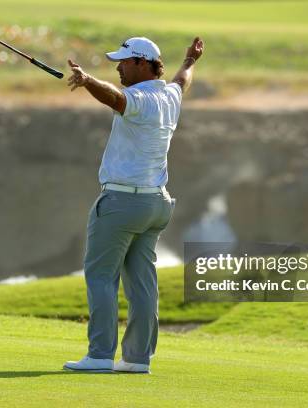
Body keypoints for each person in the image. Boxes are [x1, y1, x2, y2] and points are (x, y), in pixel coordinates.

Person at [63, 36, 204, 374]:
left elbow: (114, 97)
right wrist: (190, 62)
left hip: (121, 203)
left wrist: (86, 81)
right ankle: (137, 359)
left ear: (143, 63)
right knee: (141, 282)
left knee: (100, 277)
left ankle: (99, 355)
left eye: (124, 61)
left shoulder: (138, 98)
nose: (118, 67)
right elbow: (182, 81)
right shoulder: (169, 96)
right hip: (156, 204)